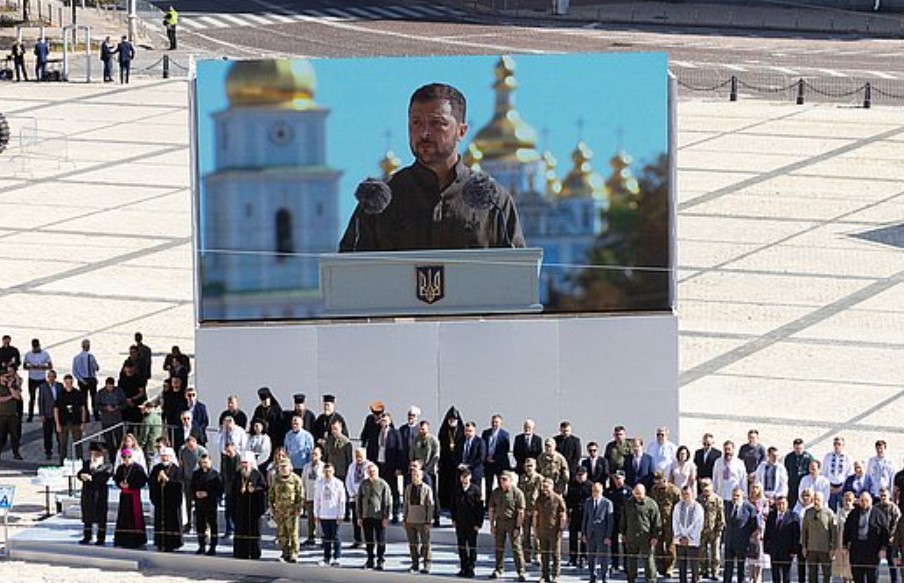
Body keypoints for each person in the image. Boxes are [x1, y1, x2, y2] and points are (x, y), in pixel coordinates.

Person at [338, 82, 525, 252]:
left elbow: (518, 276)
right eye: (416, 123)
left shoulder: (493, 202)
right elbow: (348, 272)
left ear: (461, 131)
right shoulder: (379, 201)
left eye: (437, 123)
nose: (424, 133)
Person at [488, 471, 527, 581]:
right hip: (500, 522)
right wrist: (492, 525)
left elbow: (521, 512)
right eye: (501, 479)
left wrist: (518, 527)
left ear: (510, 481)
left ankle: (521, 571)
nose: (502, 482)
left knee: (516, 548)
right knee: (499, 547)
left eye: (505, 479)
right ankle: (498, 569)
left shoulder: (517, 493)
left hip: (512, 522)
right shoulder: (496, 492)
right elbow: (491, 509)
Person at [844, 491, 889, 583]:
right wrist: (845, 545)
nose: (864, 503)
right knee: (857, 577)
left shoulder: (878, 514)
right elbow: (847, 530)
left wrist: (883, 548)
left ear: (871, 501)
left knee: (872, 578)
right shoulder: (853, 514)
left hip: (872, 551)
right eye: (862, 500)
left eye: (866, 500)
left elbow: (885, 532)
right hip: (857, 550)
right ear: (859, 501)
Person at [621, 483, 661, 583]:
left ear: (645, 493)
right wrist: (623, 534)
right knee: (631, 560)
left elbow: (656, 522)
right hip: (631, 536)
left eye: (640, 494)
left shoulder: (651, 504)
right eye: (636, 493)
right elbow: (623, 520)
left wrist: (655, 536)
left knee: (649, 561)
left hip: (646, 537)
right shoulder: (628, 503)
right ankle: (631, 579)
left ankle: (651, 580)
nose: (638, 496)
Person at [369, 412, 404, 523]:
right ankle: (380, 512)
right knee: (379, 489)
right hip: (379, 464)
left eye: (386, 420)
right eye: (382, 420)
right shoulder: (376, 432)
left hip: (391, 465)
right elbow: (371, 448)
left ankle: (395, 513)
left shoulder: (395, 433)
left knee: (393, 489)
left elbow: (400, 450)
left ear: (390, 421)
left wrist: (399, 467)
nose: (384, 422)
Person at [357, 462, 392, 570]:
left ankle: (380, 560)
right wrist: (359, 516)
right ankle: (370, 560)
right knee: (369, 540)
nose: (372, 473)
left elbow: (387, 502)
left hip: (379, 516)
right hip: (367, 516)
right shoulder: (363, 484)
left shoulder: (383, 484)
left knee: (380, 540)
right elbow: (359, 500)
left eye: (374, 472)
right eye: (370, 472)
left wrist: (386, 517)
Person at [269, 458, 304, 563]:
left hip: (292, 512)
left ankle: (294, 553)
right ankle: (285, 552)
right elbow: (271, 495)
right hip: (280, 512)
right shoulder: (276, 479)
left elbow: (300, 495)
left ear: (290, 467)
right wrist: (272, 509)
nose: (283, 469)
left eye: (285, 466)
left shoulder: (295, 479)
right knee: (281, 534)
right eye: (281, 467)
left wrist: (299, 508)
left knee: (293, 533)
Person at [233, 451, 267, 559]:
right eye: (242, 463)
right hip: (240, 507)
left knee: (254, 531)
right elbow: (232, 489)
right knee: (240, 529)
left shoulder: (257, 475)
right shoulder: (238, 474)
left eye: (246, 463)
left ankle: (254, 552)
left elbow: (263, 489)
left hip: (253, 508)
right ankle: (240, 552)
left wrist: (255, 489)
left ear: (251, 463)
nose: (244, 465)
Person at [77, 442, 112, 545]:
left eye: (97, 455)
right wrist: (81, 476)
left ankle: (101, 538)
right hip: (87, 493)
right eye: (93, 454)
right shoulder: (87, 463)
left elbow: (103, 477)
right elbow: (80, 473)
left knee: (101, 516)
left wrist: (91, 477)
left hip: (100, 493)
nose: (94, 457)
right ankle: (87, 536)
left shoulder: (107, 465)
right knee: (87, 515)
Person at [452, 467, 484, 577]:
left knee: (472, 546)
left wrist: (478, 523)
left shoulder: (475, 490)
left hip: (472, 524)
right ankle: (463, 567)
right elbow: (454, 507)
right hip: (460, 523)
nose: (464, 479)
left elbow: (480, 508)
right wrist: (454, 519)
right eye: (462, 477)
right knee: (461, 546)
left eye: (466, 477)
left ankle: (471, 568)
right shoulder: (457, 490)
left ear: (470, 477)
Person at [113, 448, 148, 548]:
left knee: (135, 517)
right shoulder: (120, 468)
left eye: (128, 457)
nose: (126, 459)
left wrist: (131, 485)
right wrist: (120, 484)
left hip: (134, 495)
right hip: (124, 496)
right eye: (124, 458)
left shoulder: (138, 468)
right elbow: (117, 478)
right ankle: (122, 539)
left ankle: (137, 540)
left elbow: (143, 480)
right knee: (123, 517)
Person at [723, 487, 758, 583]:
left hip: (742, 542)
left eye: (737, 496)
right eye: (733, 496)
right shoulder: (727, 506)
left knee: (741, 567)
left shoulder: (749, 508)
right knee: (728, 567)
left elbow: (753, 525)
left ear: (742, 496)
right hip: (729, 541)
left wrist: (746, 535)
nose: (735, 498)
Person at [403, 465, 434, 573]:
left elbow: (430, 506)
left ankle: (426, 564)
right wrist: (404, 519)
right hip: (410, 520)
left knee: (426, 544)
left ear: (421, 476)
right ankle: (414, 563)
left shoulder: (426, 489)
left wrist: (428, 521)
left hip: (423, 521)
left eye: (417, 475)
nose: (414, 477)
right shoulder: (408, 488)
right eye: (413, 475)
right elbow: (405, 504)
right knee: (412, 544)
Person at [536, 477, 567, 583]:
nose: (544, 489)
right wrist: (535, 528)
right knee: (544, 554)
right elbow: (536, 514)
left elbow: (562, 516)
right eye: (543, 486)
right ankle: (544, 575)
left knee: (555, 554)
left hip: (554, 531)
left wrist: (561, 530)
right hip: (542, 530)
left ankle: (556, 575)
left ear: (551, 487)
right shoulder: (539, 499)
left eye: (546, 486)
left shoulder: (558, 499)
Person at [651, 470, 682, 578]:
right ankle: (660, 567)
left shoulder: (674, 491)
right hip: (658, 522)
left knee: (670, 546)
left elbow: (679, 507)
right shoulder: (654, 490)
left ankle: (670, 568)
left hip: (670, 522)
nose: (658, 484)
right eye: (656, 482)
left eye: (660, 481)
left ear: (665, 480)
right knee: (658, 545)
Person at [314, 462, 346, 566]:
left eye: (330, 471)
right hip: (324, 514)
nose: (328, 473)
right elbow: (317, 499)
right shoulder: (319, 483)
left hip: (334, 515)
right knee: (326, 538)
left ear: (333, 472)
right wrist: (316, 514)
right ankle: (326, 558)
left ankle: (337, 557)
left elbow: (342, 500)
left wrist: (341, 514)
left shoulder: (338, 483)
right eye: (326, 471)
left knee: (335, 537)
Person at [190, 453, 222, 555]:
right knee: (200, 525)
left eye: (206, 462)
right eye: (202, 462)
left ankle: (213, 546)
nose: (204, 464)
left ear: (210, 462)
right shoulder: (196, 474)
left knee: (213, 525)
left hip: (211, 503)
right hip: (199, 504)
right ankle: (201, 545)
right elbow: (192, 487)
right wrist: (196, 494)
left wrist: (208, 493)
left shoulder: (215, 475)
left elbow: (219, 490)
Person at [764, 496, 801, 583]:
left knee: (786, 576)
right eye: (779, 504)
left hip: (787, 551)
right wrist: (766, 547)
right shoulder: (772, 515)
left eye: (783, 504)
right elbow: (767, 532)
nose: (781, 506)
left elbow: (796, 535)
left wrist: (794, 550)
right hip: (774, 550)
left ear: (787, 504)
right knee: (775, 575)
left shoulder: (793, 516)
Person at [583, 480, 615, 583]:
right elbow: (585, 518)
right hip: (590, 533)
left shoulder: (607, 503)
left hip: (602, 534)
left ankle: (604, 577)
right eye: (593, 491)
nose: (595, 493)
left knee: (603, 558)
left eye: (597, 491)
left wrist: (608, 536)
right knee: (591, 557)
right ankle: (593, 576)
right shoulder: (588, 502)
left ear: (601, 491)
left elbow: (610, 521)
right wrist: (584, 533)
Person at [802, 491, 836, 583]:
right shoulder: (808, 512)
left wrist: (833, 548)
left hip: (825, 550)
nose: (816, 501)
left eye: (818, 499)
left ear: (823, 500)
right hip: (811, 549)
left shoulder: (829, 513)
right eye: (814, 499)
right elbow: (804, 530)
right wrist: (804, 546)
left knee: (827, 574)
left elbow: (834, 532)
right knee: (812, 574)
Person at [673, 484, 704, 583]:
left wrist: (689, 538)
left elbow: (698, 525)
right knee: (682, 565)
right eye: (684, 494)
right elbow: (675, 521)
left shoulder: (698, 507)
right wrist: (680, 536)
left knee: (694, 565)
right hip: (680, 540)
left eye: (688, 494)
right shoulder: (678, 506)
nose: (686, 496)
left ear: (692, 494)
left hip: (693, 541)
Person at [412, 419, 441, 525]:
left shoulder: (433, 440)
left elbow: (436, 456)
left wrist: (427, 468)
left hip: (430, 471)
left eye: (423, 428)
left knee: (432, 493)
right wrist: (414, 465)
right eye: (420, 429)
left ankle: (436, 516)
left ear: (427, 428)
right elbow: (412, 452)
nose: (421, 430)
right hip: (417, 471)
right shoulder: (416, 440)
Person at [178, 435, 207, 533]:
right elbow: (181, 464)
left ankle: (201, 524)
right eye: (188, 446)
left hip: (198, 480)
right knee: (188, 503)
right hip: (187, 479)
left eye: (192, 445)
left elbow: (205, 465)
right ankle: (189, 524)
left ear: (195, 443)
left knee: (200, 503)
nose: (190, 447)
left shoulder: (202, 451)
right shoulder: (183, 450)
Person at [698, 478, 726, 581]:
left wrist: (719, 529)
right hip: (702, 530)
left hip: (714, 530)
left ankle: (715, 572)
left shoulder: (717, 499)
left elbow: (721, 515)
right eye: (704, 488)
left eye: (708, 488)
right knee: (702, 552)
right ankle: (704, 570)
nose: (706, 490)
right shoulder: (698, 500)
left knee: (715, 554)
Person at [605, 469, 632, 574]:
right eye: (615, 478)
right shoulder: (610, 491)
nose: (617, 480)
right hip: (614, 519)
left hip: (625, 520)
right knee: (614, 543)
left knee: (625, 543)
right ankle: (615, 564)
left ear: (624, 478)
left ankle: (626, 564)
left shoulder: (629, 491)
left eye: (619, 478)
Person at [55, 374, 86, 462]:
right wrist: (57, 423)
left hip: (76, 422)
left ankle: (80, 461)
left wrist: (83, 422)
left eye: (70, 382)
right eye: (67, 383)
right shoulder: (60, 394)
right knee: (63, 444)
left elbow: (83, 408)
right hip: (64, 422)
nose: (68, 384)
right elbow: (56, 409)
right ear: (64, 383)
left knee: (78, 443)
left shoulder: (78, 393)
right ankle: (62, 462)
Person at [483, 414, 512, 507]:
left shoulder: (505, 434)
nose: (494, 424)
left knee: (501, 484)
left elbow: (505, 449)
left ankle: (499, 504)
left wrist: (494, 458)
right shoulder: (486, 433)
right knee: (488, 485)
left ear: (501, 423)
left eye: (496, 422)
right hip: (488, 463)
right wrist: (486, 457)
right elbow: (483, 446)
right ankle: (488, 504)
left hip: (499, 463)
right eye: (493, 422)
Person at [437, 406, 463, 510]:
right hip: (445, 461)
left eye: (454, 420)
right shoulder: (443, 431)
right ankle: (444, 503)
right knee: (444, 483)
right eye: (450, 420)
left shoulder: (461, 431)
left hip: (457, 461)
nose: (452, 421)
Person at [567, 466, 593, 567]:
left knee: (584, 536)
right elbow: (568, 500)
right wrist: (568, 514)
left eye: (582, 475)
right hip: (574, 513)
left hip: (586, 514)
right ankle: (572, 557)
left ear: (586, 475)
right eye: (579, 475)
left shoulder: (590, 486)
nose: (580, 477)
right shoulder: (572, 485)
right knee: (573, 536)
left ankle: (584, 557)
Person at [519, 457, 544, 565]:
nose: (529, 468)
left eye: (531, 466)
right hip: (525, 509)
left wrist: (536, 509)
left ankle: (538, 555)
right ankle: (526, 555)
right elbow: (520, 494)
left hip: (536, 510)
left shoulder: (539, 478)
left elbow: (541, 495)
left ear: (535, 466)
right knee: (525, 533)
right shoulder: (522, 478)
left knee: (537, 533)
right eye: (527, 466)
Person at [874, 487, 900, 583]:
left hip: (891, 540)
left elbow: (896, 524)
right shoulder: (876, 508)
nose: (883, 497)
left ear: (889, 496)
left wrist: (891, 536)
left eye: (885, 495)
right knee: (875, 563)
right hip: (878, 540)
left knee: (892, 563)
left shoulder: (894, 508)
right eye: (881, 496)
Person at [23, 337, 52, 423]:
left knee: (43, 397)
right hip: (32, 378)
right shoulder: (28, 354)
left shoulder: (45, 354)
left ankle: (44, 414)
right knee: (32, 398)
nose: (35, 348)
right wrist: (31, 367)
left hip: (41, 378)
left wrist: (42, 367)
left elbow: (50, 366)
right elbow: (24, 366)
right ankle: (30, 416)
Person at [300, 445, 324, 546]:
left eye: (316, 454)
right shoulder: (306, 467)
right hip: (309, 496)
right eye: (312, 454)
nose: (314, 456)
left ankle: (324, 538)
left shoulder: (323, 467)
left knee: (322, 518)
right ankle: (311, 537)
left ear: (320, 455)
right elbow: (303, 481)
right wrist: (303, 495)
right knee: (310, 519)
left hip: (320, 498)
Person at [72, 339, 100, 422]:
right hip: (91, 379)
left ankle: (86, 416)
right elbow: (96, 367)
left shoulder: (76, 358)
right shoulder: (91, 357)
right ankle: (96, 415)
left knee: (84, 399)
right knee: (94, 398)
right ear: (88, 347)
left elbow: (74, 371)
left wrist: (80, 379)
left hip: (82, 380)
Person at [97, 377, 125, 458]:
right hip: (106, 420)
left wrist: (117, 407)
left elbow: (124, 403)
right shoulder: (101, 393)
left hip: (117, 420)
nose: (110, 388)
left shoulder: (119, 392)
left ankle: (120, 456)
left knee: (119, 440)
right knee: (108, 441)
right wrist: (105, 408)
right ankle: (112, 457)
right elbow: (96, 405)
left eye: (111, 386)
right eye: (108, 386)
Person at [37, 370, 62, 461]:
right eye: (49, 376)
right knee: (47, 434)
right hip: (47, 414)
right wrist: (41, 414)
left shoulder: (59, 386)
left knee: (59, 434)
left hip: (58, 414)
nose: (51, 378)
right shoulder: (43, 387)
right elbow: (40, 401)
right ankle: (48, 452)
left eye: (53, 376)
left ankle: (61, 451)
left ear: (55, 377)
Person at [713, 440, 747, 507]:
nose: (727, 451)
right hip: (721, 494)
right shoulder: (718, 462)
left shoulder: (739, 463)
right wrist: (714, 493)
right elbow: (715, 478)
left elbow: (743, 480)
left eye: (729, 449)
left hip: (734, 495)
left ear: (733, 449)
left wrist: (744, 495)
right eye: (725, 449)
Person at [824, 437, 852, 511]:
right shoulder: (828, 456)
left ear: (843, 445)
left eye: (839, 444)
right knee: (831, 510)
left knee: (843, 509)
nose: (837, 446)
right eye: (835, 444)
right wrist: (829, 486)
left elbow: (849, 474)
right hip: (830, 487)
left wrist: (842, 487)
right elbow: (824, 472)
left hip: (842, 487)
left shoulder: (847, 457)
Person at [0, 367, 22, 461]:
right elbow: (1, 399)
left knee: (14, 435)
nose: (7, 378)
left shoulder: (13, 386)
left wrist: (10, 388)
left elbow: (18, 397)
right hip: (2, 414)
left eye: (8, 376)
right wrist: (11, 396)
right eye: (5, 376)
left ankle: (16, 453)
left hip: (12, 414)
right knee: (1, 435)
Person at [786, 438, 814, 509]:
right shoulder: (789, 457)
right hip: (792, 486)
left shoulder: (808, 457)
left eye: (800, 448)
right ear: (794, 447)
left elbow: (812, 470)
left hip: (804, 485)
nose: (798, 450)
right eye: (797, 448)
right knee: (792, 505)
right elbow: (787, 469)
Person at [833, 491, 855, 583]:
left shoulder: (855, 512)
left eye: (850, 500)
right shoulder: (839, 513)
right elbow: (835, 528)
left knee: (852, 568)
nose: (847, 502)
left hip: (853, 544)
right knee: (842, 569)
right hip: (841, 543)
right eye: (846, 500)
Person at [220, 441, 239, 538]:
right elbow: (223, 472)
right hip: (228, 488)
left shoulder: (239, 459)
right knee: (228, 511)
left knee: (236, 511)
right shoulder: (225, 459)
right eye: (227, 451)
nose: (228, 453)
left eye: (230, 451)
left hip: (237, 489)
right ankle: (229, 530)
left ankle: (236, 529)